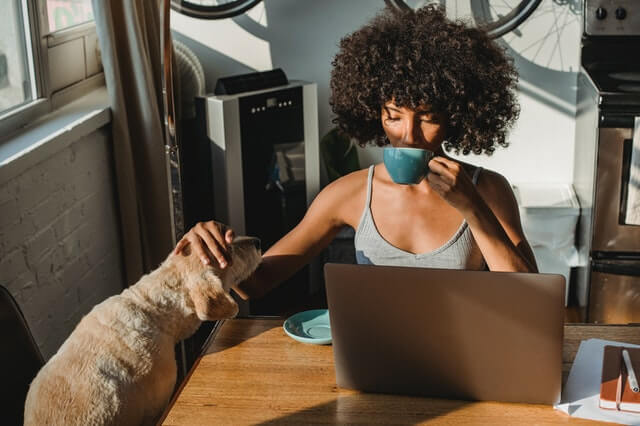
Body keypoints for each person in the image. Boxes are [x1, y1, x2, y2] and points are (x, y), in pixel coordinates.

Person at [174, 4, 538, 301]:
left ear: (456, 118)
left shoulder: (486, 189)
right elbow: (256, 283)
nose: (408, 135)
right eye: (393, 117)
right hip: (373, 355)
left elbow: (530, 297)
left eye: (428, 118)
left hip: (465, 354)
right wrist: (215, 251)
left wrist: (472, 207)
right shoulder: (347, 194)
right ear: (374, 111)